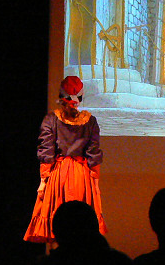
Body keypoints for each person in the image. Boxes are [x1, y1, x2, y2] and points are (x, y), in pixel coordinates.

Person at [24, 76, 106, 244]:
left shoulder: (51, 119)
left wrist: (43, 181)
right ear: (80, 97)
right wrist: (95, 182)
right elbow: (93, 153)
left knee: (60, 220)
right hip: (82, 177)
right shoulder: (90, 121)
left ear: (62, 96)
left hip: (59, 176)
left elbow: (47, 151)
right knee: (80, 222)